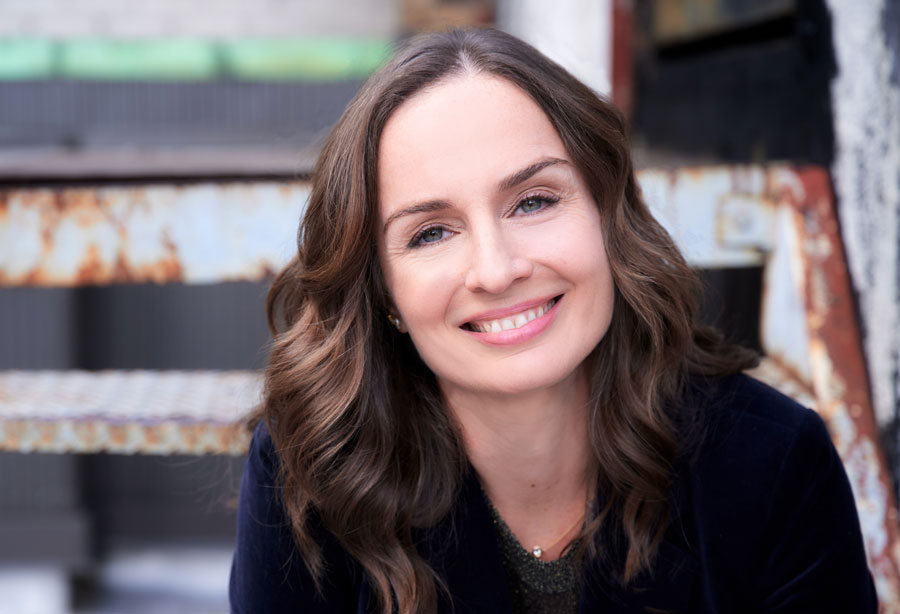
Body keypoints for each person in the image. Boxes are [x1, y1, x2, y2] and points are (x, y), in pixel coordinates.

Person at [229, 28, 876, 613]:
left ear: (606, 215)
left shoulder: (773, 463)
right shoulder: (312, 471)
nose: (496, 270)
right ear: (385, 293)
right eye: (431, 233)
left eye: (534, 201)